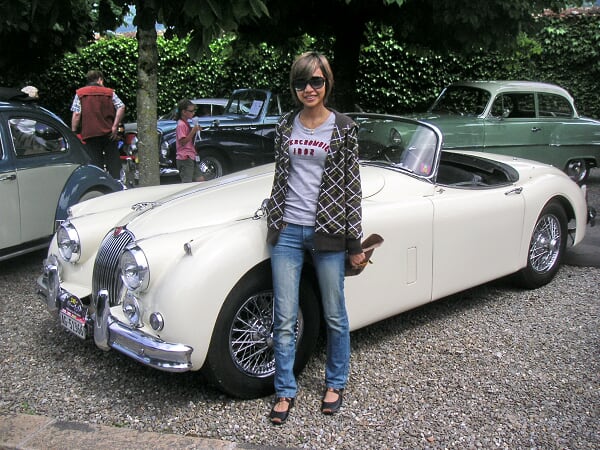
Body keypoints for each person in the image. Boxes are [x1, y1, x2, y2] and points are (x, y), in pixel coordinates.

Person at [264, 51, 365, 425]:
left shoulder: (344, 128)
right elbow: (281, 177)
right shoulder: (284, 126)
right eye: (301, 82)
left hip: (329, 232)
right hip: (288, 231)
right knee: (284, 317)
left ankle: (336, 383)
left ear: (327, 83)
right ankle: (284, 390)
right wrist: (273, 219)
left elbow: (352, 187)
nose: (309, 88)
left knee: (335, 314)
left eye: (316, 81)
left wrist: (354, 243)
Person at [71, 69, 125, 179]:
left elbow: (76, 114)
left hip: (90, 134)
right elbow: (121, 106)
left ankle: (99, 182)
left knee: (95, 164)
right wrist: (115, 126)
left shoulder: (80, 93)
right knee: (113, 162)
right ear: (100, 79)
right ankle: (116, 182)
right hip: (109, 133)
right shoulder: (109, 92)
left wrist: (74, 131)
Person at [175, 99, 203, 182]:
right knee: (187, 182)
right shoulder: (181, 125)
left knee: (200, 179)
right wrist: (193, 131)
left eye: (194, 111)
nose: (193, 113)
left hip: (191, 156)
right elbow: (183, 141)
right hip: (185, 158)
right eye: (191, 111)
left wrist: (196, 131)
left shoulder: (186, 123)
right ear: (184, 112)